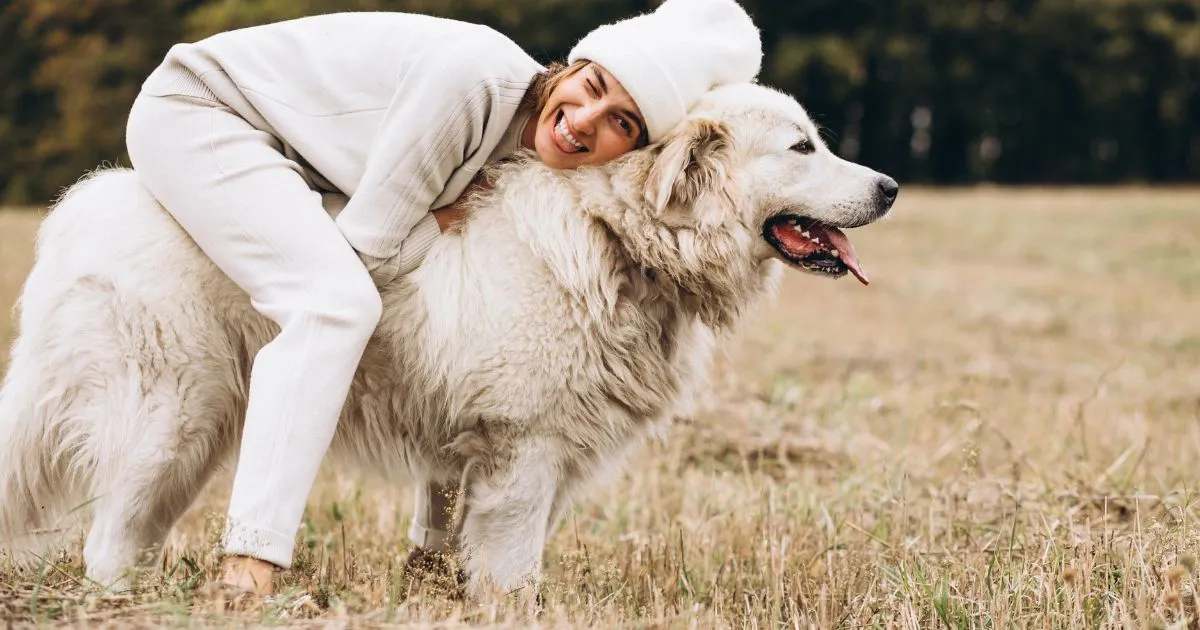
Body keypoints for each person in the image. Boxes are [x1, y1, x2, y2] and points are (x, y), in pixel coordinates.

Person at [124, 0, 762, 595]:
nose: (584, 123)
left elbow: (459, 338)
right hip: (200, 111)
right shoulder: (475, 83)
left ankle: (433, 562)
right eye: (591, 88)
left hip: (285, 147)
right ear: (571, 66)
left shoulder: (536, 148)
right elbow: (367, 255)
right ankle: (251, 561)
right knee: (335, 304)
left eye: (621, 122)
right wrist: (438, 223)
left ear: (634, 147)